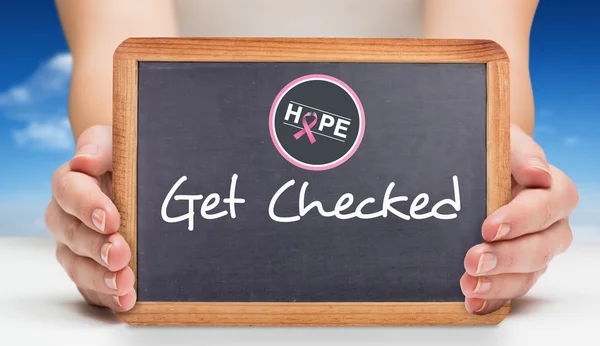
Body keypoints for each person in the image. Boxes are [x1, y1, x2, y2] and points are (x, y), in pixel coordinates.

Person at [47, 0, 578, 315]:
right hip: (201, 223)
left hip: (412, 227)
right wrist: (110, 182)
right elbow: (123, 73)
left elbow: (476, 75)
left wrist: (505, 181)